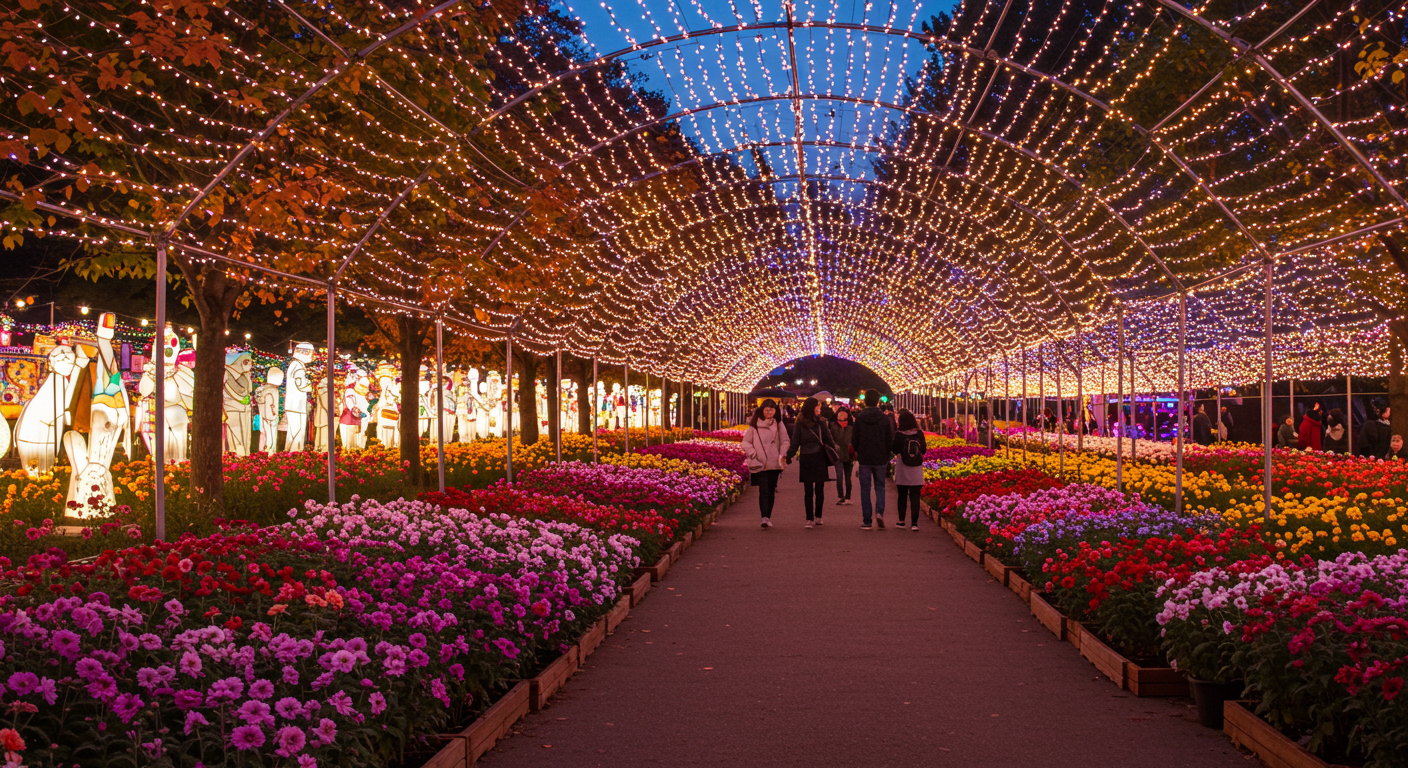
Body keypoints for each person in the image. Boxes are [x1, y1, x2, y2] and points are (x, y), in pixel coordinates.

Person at [786, 397, 837, 529]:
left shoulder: (819, 423)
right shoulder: (804, 424)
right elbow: (795, 442)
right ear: (811, 408)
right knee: (810, 490)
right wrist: (789, 455)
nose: (819, 408)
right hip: (810, 458)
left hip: (815, 457)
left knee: (817, 489)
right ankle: (811, 517)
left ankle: (816, 517)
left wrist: (834, 453)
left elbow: (828, 439)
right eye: (817, 406)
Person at [742, 399, 790, 529]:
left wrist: (782, 453)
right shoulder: (754, 425)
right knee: (763, 490)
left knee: (771, 489)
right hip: (760, 462)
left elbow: (785, 440)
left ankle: (768, 516)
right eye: (767, 409)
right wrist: (753, 453)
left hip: (775, 462)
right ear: (762, 410)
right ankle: (764, 517)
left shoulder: (779, 424)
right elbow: (745, 442)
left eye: (772, 409)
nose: (769, 412)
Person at [851, 389, 895, 530]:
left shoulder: (860, 418)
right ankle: (879, 512)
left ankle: (867, 520)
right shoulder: (883, 418)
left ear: (865, 401)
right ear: (878, 401)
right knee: (880, 486)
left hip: (864, 457)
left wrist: (857, 452)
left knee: (865, 489)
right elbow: (889, 438)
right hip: (880, 457)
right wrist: (887, 454)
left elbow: (854, 439)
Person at [891, 409, 926, 530]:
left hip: (903, 466)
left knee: (902, 494)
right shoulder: (919, 433)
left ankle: (901, 521)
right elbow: (924, 450)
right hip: (916, 467)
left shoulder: (899, 434)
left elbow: (894, 449)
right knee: (915, 495)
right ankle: (914, 523)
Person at [830, 405, 855, 506]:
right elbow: (831, 439)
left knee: (848, 477)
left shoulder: (851, 427)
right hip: (838, 455)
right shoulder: (833, 426)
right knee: (839, 476)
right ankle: (841, 496)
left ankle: (847, 497)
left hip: (849, 455)